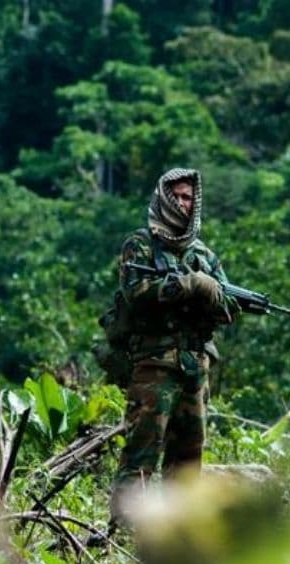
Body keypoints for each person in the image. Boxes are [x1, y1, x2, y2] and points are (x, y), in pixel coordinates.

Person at [108, 167, 239, 529]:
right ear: (163, 198)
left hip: (194, 365)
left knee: (189, 454)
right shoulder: (140, 245)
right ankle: (123, 530)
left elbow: (229, 308)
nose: (182, 204)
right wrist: (185, 285)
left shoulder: (205, 256)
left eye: (188, 198)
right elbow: (134, 293)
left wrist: (211, 292)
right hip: (154, 363)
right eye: (176, 196)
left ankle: (180, 534)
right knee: (142, 450)